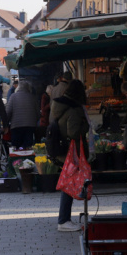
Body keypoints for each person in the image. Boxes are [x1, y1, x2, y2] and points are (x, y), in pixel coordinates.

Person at [51, 79, 90, 232]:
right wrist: (85, 126)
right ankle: (63, 220)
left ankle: (64, 219)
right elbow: (73, 132)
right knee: (68, 186)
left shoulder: (59, 105)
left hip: (63, 150)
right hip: (71, 152)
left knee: (68, 184)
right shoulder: (74, 109)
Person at [6, 80, 39, 148]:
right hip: (30, 126)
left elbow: (8, 112)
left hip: (16, 126)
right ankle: (28, 158)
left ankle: (18, 157)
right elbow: (37, 113)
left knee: (17, 147)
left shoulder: (13, 96)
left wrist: (6, 124)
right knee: (28, 146)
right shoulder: (33, 97)